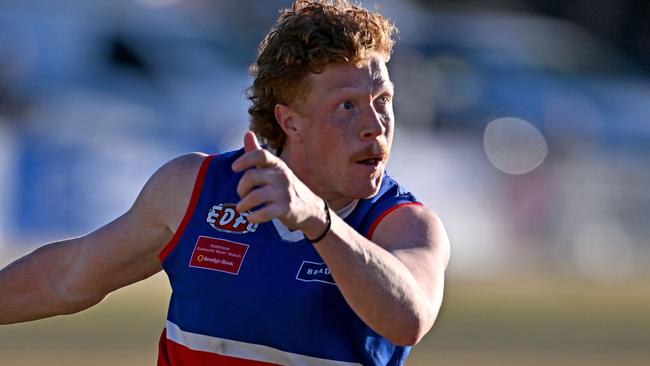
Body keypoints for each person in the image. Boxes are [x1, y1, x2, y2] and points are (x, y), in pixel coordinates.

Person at [0, 0, 450, 365]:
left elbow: (407, 318)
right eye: (347, 106)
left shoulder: (404, 225)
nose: (376, 125)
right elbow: (69, 276)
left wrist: (319, 221)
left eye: (383, 100)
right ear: (289, 121)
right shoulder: (197, 188)